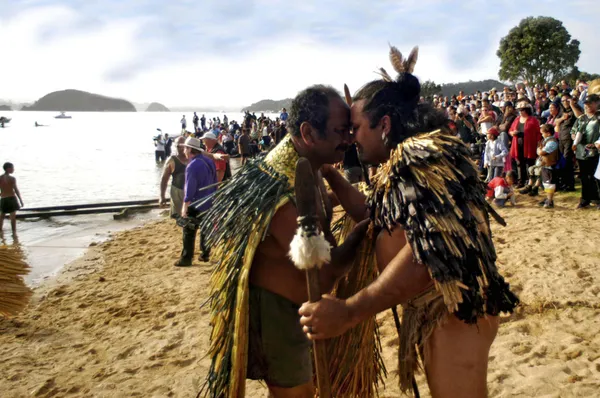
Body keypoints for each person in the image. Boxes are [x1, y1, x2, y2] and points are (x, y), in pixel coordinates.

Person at [298, 46, 518, 398]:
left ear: (384, 124)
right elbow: (380, 218)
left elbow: (425, 251)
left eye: (356, 127)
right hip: (440, 313)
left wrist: (350, 311)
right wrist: (330, 175)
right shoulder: (405, 163)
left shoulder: (419, 157)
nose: (352, 137)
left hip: (452, 315)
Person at [197, 85, 371, 398]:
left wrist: (332, 175)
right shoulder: (283, 193)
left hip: (299, 309)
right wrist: (361, 235)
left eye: (349, 129)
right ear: (308, 132)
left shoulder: (307, 164)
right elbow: (326, 272)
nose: (348, 138)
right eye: (340, 130)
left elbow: (341, 209)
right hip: (279, 315)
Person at [175, 137, 217, 267]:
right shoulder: (209, 161)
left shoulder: (192, 166)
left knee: (188, 230)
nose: (184, 151)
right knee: (206, 228)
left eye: (185, 148)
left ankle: (186, 258)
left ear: (190, 149)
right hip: (209, 200)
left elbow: (190, 188)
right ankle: (205, 254)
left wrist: (184, 206)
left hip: (196, 202)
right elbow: (215, 181)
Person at [571, 93, 600, 209]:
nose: (587, 106)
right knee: (584, 177)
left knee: (596, 177)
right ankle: (585, 199)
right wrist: (575, 138)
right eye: (586, 104)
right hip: (581, 151)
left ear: (596, 103)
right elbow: (573, 131)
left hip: (595, 151)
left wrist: (596, 143)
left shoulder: (598, 118)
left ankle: (598, 199)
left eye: (590, 104)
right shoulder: (581, 118)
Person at [509, 101, 541, 187]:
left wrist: (538, 143)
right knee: (519, 163)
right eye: (519, 110)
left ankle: (530, 181)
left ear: (526, 110)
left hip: (529, 144)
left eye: (522, 110)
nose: (520, 111)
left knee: (529, 163)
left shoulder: (533, 120)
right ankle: (521, 181)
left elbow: (538, 132)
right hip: (518, 144)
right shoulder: (516, 119)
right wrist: (512, 133)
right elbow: (510, 130)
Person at [159, 136, 188, 218]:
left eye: (184, 146)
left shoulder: (192, 158)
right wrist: (162, 196)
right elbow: (164, 179)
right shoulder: (171, 160)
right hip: (177, 192)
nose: (182, 148)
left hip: (190, 192)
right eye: (179, 146)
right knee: (179, 217)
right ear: (175, 146)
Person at [538, 123, 560, 208]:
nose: (542, 134)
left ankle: (550, 201)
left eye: (543, 133)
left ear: (548, 133)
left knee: (550, 183)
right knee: (546, 183)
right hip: (546, 165)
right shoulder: (546, 141)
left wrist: (539, 150)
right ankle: (548, 198)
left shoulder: (552, 142)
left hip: (550, 165)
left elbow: (541, 152)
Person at [0, 162, 24, 234]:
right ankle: (14, 233)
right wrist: (20, 200)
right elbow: (16, 190)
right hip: (11, 199)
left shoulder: (0, 178)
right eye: (12, 168)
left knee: (1, 217)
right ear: (8, 169)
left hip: (3, 199)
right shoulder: (12, 178)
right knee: (13, 217)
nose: (13, 169)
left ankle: (1, 233)